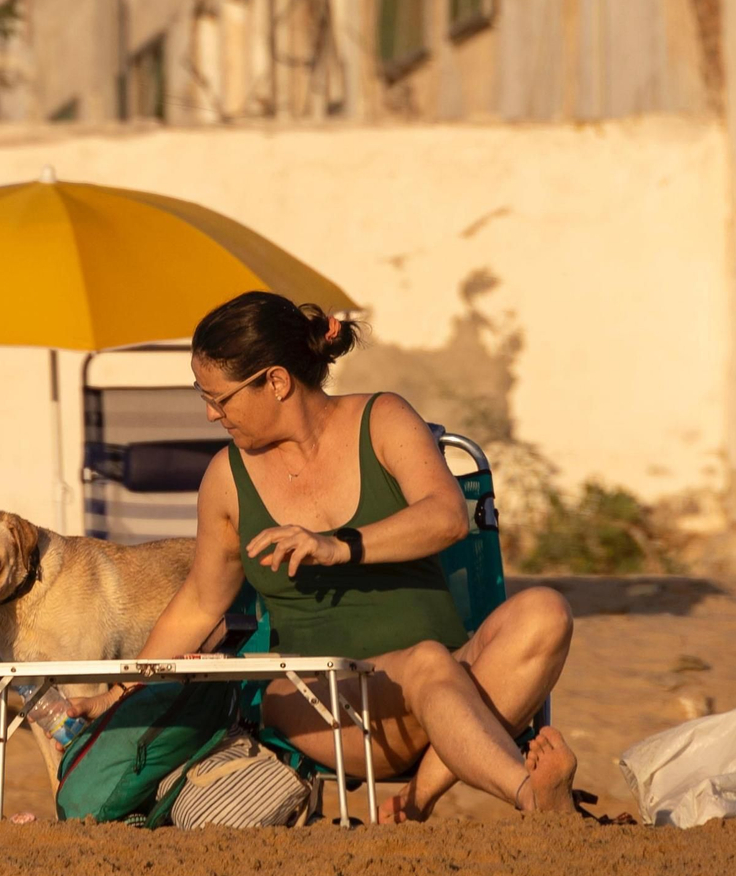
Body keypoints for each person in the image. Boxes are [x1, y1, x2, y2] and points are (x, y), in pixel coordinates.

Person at [72, 291, 578, 820]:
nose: (210, 413)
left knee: (545, 609)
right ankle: (529, 795)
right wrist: (123, 692)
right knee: (428, 664)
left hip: (443, 684)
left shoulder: (381, 418)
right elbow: (200, 604)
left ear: (276, 381)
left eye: (220, 398)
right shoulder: (227, 479)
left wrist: (339, 547)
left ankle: (416, 798)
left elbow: (447, 515)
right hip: (321, 701)